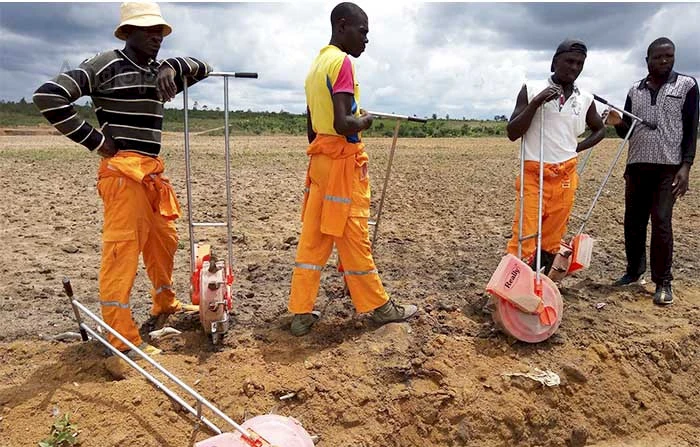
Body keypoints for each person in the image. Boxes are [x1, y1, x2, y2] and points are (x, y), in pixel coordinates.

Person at [33, 2, 211, 357]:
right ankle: (121, 339)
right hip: (122, 174)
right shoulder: (105, 65)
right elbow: (47, 96)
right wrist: (98, 141)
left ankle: (165, 304)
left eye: (159, 31)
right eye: (147, 31)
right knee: (123, 254)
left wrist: (171, 67)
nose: (156, 37)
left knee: (164, 241)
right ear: (127, 32)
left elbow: (205, 68)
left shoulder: (159, 69)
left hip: (151, 173)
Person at [288, 2, 418, 336]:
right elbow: (343, 122)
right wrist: (366, 121)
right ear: (343, 26)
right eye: (363, 32)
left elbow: (312, 126)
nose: (366, 40)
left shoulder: (316, 65)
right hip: (343, 166)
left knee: (313, 239)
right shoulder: (342, 62)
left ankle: (301, 312)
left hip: (320, 163)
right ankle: (379, 307)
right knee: (354, 235)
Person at [607, 37, 698, 305]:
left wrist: (686, 166)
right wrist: (616, 122)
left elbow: (691, 127)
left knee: (661, 222)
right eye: (658, 57)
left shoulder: (687, 86)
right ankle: (634, 271)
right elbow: (628, 131)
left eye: (669, 56)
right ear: (647, 60)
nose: (664, 61)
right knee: (633, 222)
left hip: (668, 168)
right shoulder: (635, 90)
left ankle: (663, 282)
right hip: (636, 167)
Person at [505, 39, 606, 274]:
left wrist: (576, 148)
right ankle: (509, 293)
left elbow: (599, 129)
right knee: (525, 235)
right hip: (534, 174)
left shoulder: (585, 99)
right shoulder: (530, 89)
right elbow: (512, 132)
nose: (574, 68)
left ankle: (539, 284)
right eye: (569, 61)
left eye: (579, 63)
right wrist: (537, 102)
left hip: (565, 176)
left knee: (552, 238)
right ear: (554, 62)